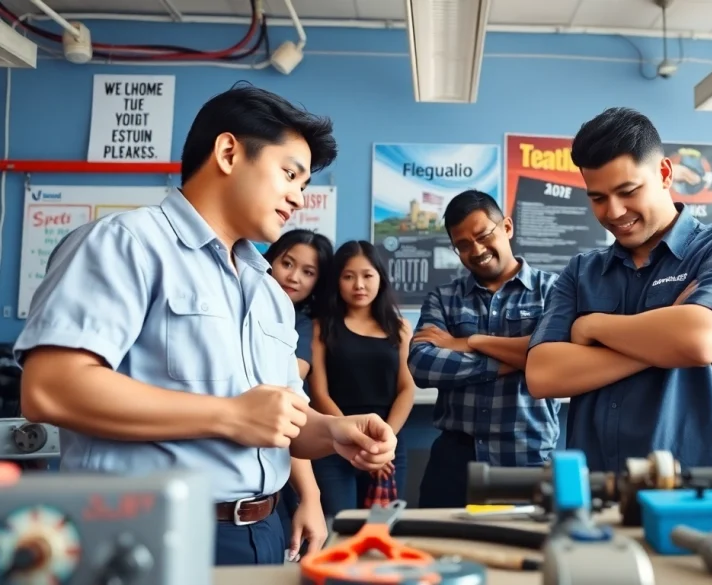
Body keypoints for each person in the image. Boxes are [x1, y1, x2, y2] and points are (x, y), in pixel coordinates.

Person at [15, 83, 397, 566]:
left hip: (261, 531)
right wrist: (230, 415)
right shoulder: (126, 244)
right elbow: (51, 389)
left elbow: (281, 421)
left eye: (304, 185)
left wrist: (338, 432)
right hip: (144, 532)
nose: (299, 198)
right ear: (228, 152)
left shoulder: (267, 291)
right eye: (290, 174)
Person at [526, 107, 712, 474]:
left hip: (696, 484)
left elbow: (700, 341)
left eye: (628, 191)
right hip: (598, 485)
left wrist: (593, 327)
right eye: (598, 198)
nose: (614, 211)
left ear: (665, 173)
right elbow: (543, 375)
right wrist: (667, 342)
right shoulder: (582, 270)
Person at [408, 190, 560, 508]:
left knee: (522, 554)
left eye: (482, 235)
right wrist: (517, 359)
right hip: (453, 463)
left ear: (506, 227)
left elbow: (556, 360)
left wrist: (469, 342)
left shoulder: (553, 291)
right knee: (439, 554)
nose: (475, 250)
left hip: (527, 459)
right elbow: (422, 364)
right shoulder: (443, 298)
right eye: (462, 245)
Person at [308, 240, 415, 516]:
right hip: (333, 443)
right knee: (337, 526)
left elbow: (406, 389)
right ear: (337, 281)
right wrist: (356, 441)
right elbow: (320, 393)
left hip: (387, 444)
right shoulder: (321, 326)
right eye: (348, 276)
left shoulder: (400, 327)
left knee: (381, 529)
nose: (359, 285)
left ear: (380, 278)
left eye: (367, 275)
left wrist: (381, 444)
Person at [263, 228, 334, 560]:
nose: (293, 277)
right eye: (287, 263)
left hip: (286, 442)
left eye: (308, 272)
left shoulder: (303, 322)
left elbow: (290, 377)